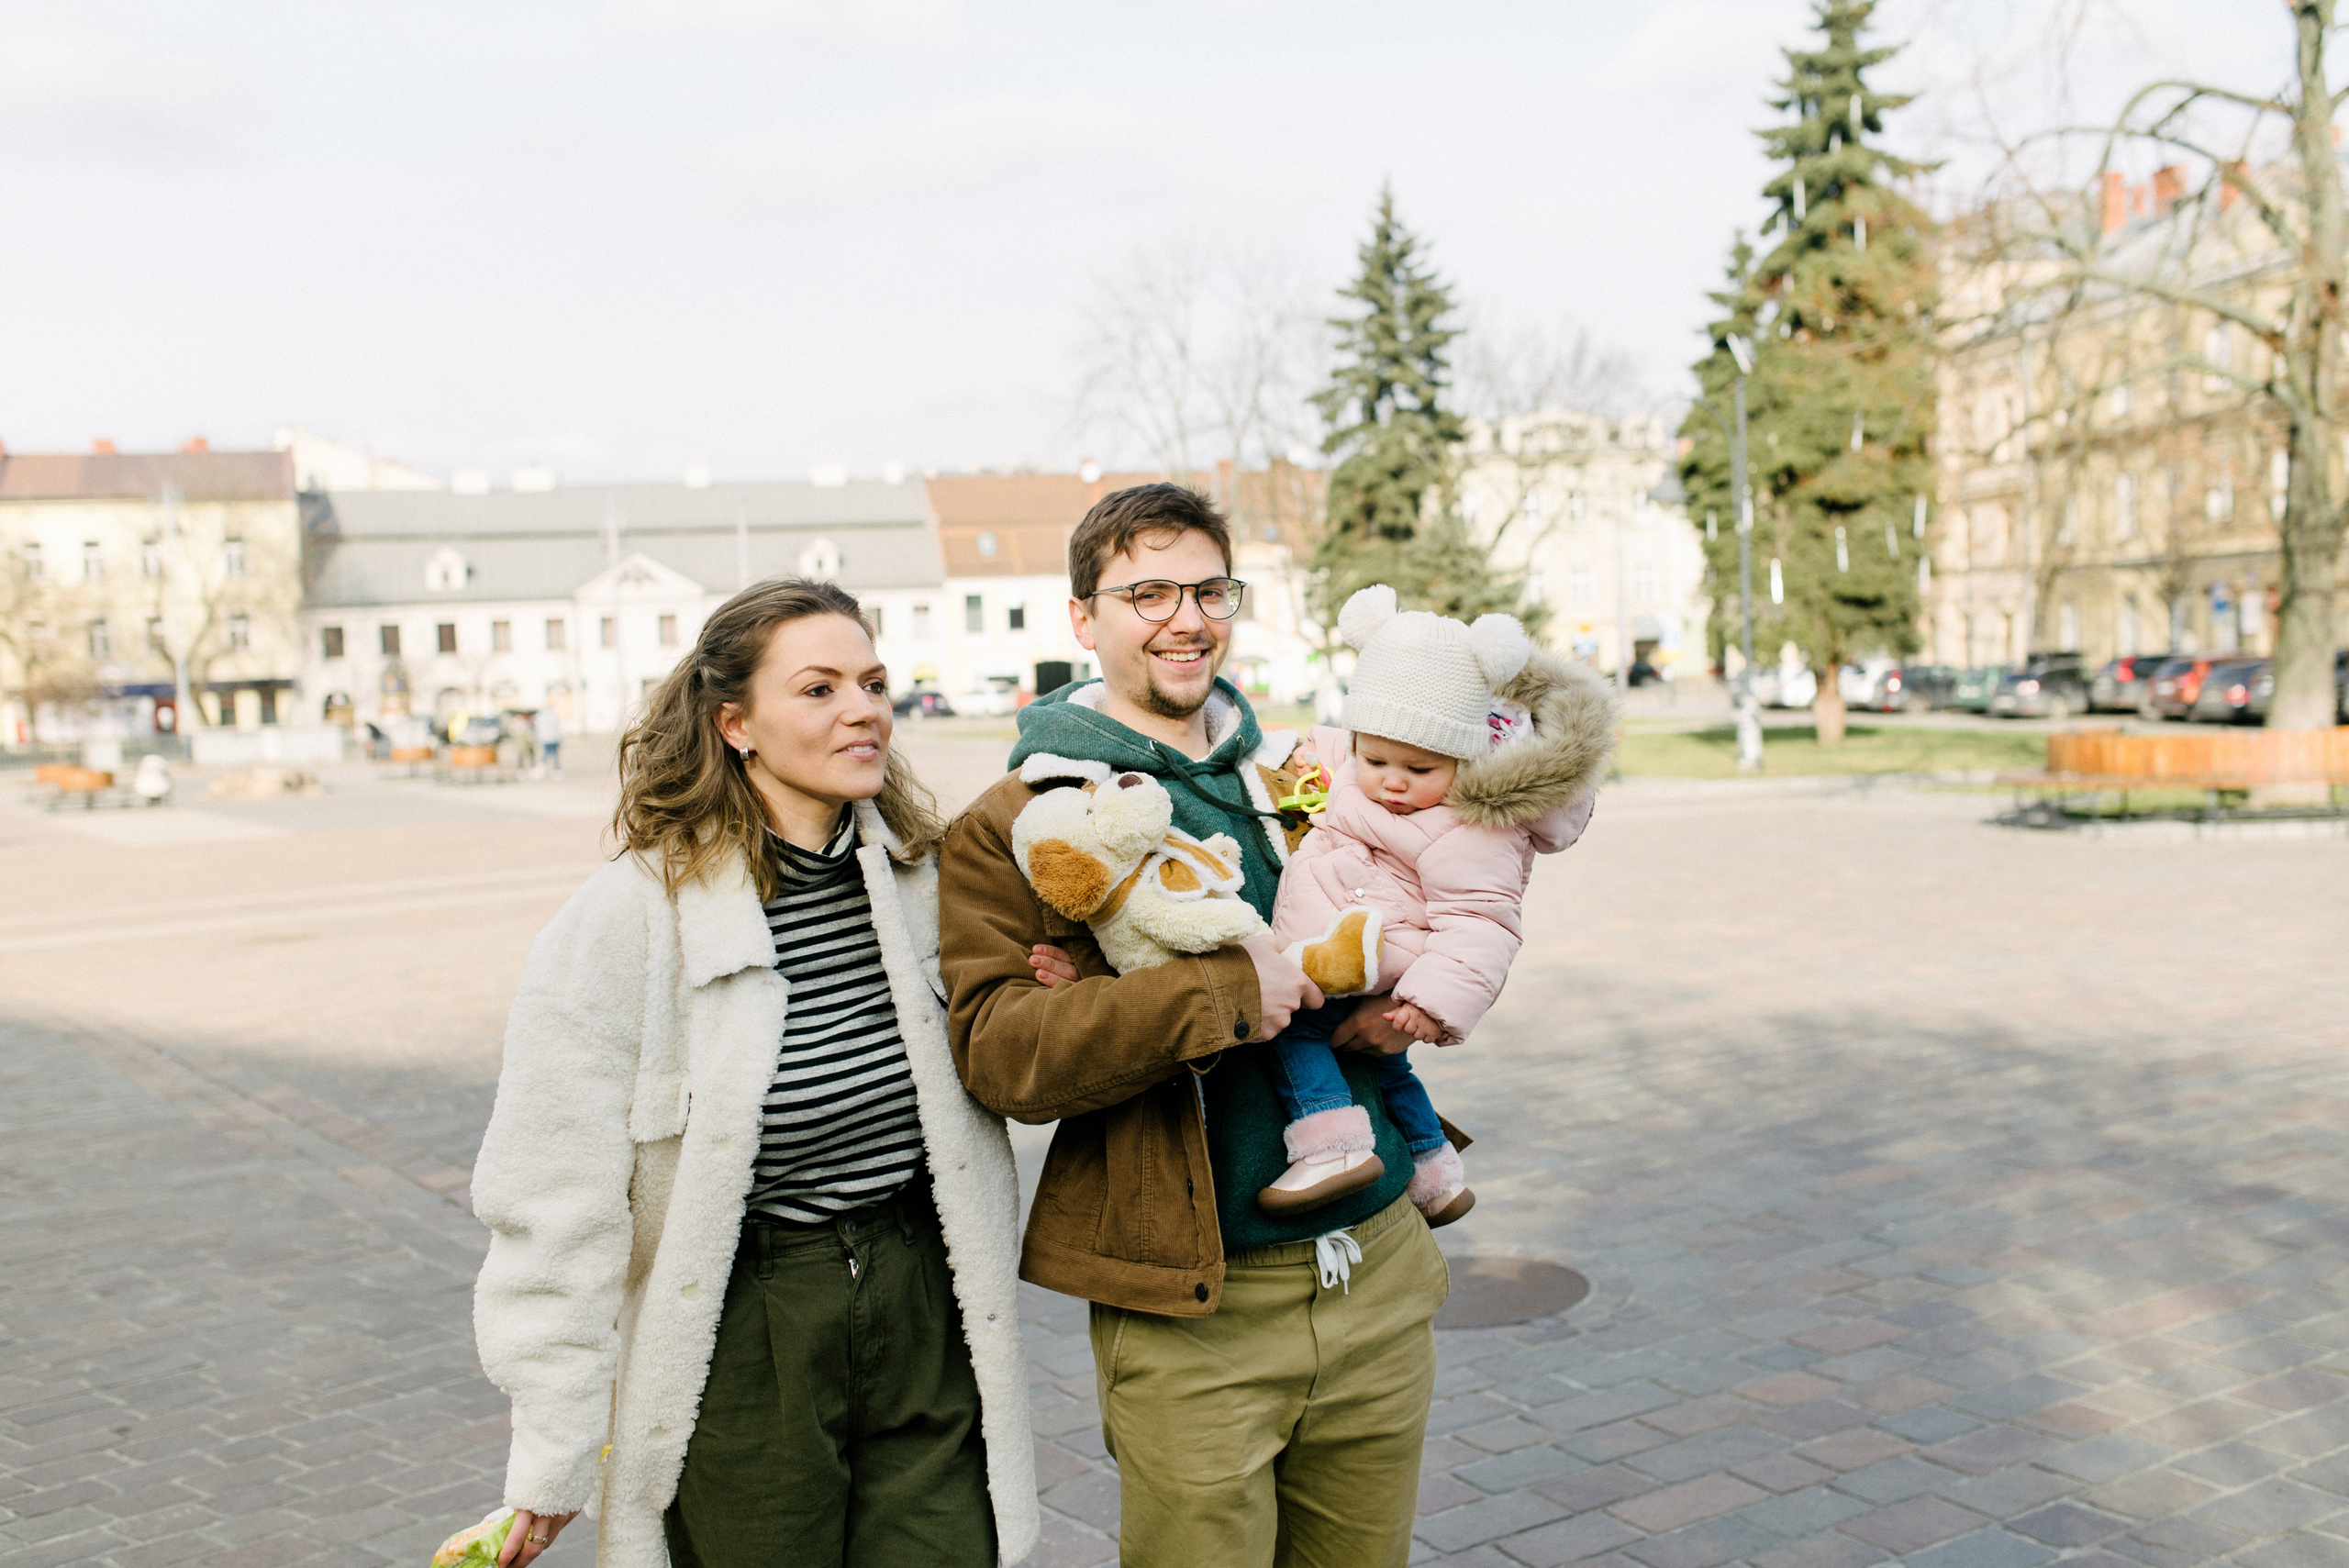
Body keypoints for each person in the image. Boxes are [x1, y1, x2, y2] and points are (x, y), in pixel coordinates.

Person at [471, 579, 1039, 1568]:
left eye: (873, 683)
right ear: (735, 724)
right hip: (746, 1321)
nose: (862, 709)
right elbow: (552, 1195)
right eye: (819, 688)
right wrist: (554, 1446)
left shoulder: (930, 880)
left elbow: (1011, 1045)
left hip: (924, 1293)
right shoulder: (629, 917)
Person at [941, 484, 1438, 1567]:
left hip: (1379, 1266)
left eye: (1210, 590)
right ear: (1083, 617)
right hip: (1197, 1311)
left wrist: (1409, 994)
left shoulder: (1301, 770)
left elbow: (1435, 887)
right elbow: (1002, 1055)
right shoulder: (1023, 817)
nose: (1188, 618)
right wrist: (1212, 995)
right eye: (1149, 593)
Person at [1258, 584, 1613, 1225]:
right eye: (1375, 758)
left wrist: (1430, 1003)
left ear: (1463, 759)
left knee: (1294, 1027)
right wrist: (1305, 750)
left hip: (1381, 952)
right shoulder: (1363, 762)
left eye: (1419, 769)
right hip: (1357, 939)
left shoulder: (1470, 829)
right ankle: (1435, 1171)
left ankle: (1331, 1145)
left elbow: (1482, 924)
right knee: (1388, 1068)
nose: (1392, 782)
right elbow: (1338, 749)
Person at [535, 700, 562, 777]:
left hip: (545, 738)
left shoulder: (540, 716)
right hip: (553, 738)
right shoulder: (554, 716)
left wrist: (538, 738)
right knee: (554, 754)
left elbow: (538, 728)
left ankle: (541, 770)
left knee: (545, 754)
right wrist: (559, 738)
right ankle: (556, 770)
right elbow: (558, 728)